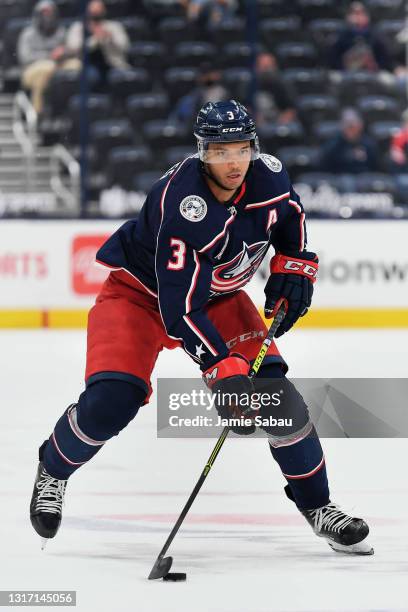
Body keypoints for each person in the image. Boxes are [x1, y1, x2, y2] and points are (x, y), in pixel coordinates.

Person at [30, 100, 373, 556]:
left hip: (220, 295)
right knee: (113, 400)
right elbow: (180, 308)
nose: (232, 163)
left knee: (276, 398)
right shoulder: (183, 206)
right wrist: (222, 366)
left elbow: (291, 218)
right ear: (201, 153)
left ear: (254, 147)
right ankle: (52, 469)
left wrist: (295, 267)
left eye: (241, 149)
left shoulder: (269, 175)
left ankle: (319, 506)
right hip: (140, 297)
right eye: (219, 152)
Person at [17, 0, 68, 114]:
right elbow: (25, 58)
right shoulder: (27, 34)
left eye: (49, 12)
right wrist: (50, 56)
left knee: (76, 65)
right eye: (43, 13)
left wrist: (63, 53)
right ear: (37, 14)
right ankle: (38, 113)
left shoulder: (61, 32)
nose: (47, 16)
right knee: (47, 68)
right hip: (31, 70)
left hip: (58, 67)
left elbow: (67, 51)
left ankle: (69, 110)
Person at [65, 0, 130, 86]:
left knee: (123, 78)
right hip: (86, 65)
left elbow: (126, 47)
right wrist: (95, 38)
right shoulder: (78, 27)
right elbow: (72, 48)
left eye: (99, 9)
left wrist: (111, 38)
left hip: (113, 64)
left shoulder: (114, 26)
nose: (96, 12)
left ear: (104, 11)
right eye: (93, 10)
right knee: (90, 76)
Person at [329, 2, 392, 72]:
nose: (357, 17)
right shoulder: (340, 35)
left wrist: (373, 64)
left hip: (373, 74)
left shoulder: (376, 35)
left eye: (361, 13)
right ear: (348, 16)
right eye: (354, 13)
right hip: (345, 74)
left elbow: (385, 59)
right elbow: (333, 60)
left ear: (367, 16)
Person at [320, 108, 379, 174]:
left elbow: (375, 167)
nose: (350, 127)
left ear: (360, 125)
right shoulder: (332, 145)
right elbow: (325, 166)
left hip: (363, 178)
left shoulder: (369, 144)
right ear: (341, 125)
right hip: (339, 178)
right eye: (347, 124)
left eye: (353, 125)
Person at [255, 52, 297, 126]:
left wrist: (279, 124)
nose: (266, 71)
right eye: (263, 66)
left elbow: (291, 110)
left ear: (275, 67)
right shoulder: (249, 86)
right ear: (256, 67)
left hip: (278, 124)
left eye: (268, 66)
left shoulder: (283, 85)